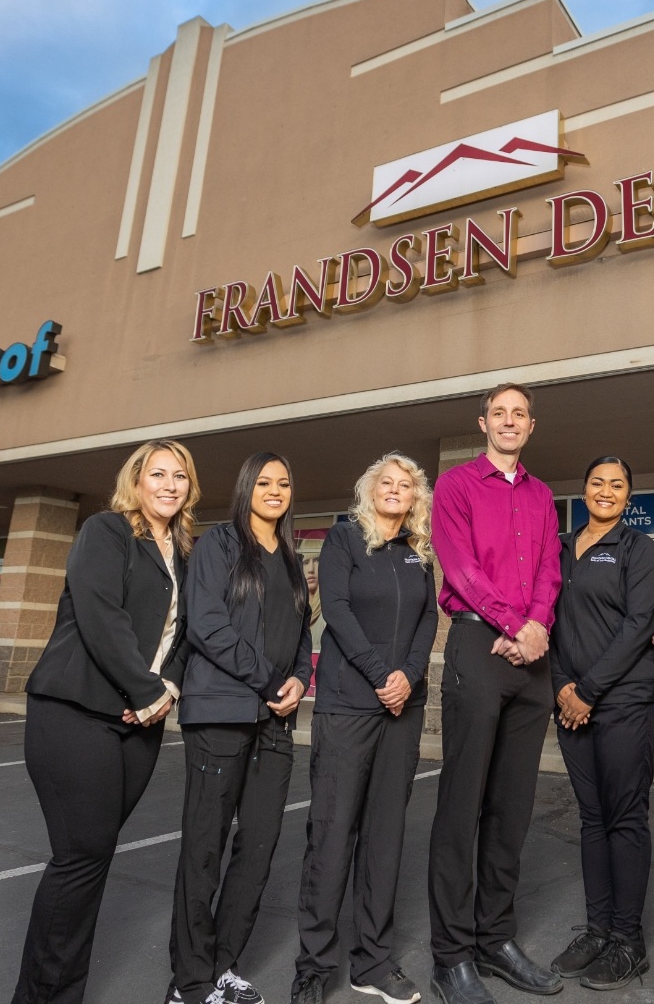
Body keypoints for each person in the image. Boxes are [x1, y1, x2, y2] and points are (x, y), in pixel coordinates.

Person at [12, 438, 200, 1004]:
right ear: (136, 481)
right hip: (76, 713)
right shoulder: (108, 531)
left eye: (180, 477)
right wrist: (147, 691)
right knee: (80, 858)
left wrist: (166, 688)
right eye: (158, 474)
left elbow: (186, 638)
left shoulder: (186, 555)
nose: (169, 485)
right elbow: (101, 616)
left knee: (92, 860)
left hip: (138, 723)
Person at [428, 382, 563, 1004]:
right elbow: (460, 569)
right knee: (463, 805)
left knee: (511, 808)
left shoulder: (541, 495)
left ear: (531, 426)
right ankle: (451, 955)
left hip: (530, 660)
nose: (509, 422)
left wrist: (535, 630)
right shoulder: (456, 487)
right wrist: (516, 626)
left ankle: (495, 938)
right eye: (499, 413)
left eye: (519, 415)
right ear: (483, 422)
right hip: (478, 649)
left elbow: (550, 573)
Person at [292, 453, 439, 1004]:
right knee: (331, 837)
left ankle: (372, 962)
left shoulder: (418, 551)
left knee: (385, 837)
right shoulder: (344, 540)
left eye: (406, 485)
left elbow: (429, 617)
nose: (395, 490)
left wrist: (410, 675)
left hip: (403, 710)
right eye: (387, 482)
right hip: (350, 705)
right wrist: (383, 675)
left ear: (415, 497)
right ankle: (312, 968)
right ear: (369, 489)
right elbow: (337, 608)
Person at [167, 452, 313, 1004]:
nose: (275, 490)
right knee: (204, 847)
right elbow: (206, 625)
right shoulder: (219, 546)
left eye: (284, 482)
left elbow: (303, 634)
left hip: (274, 721)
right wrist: (269, 681)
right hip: (221, 714)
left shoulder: (293, 558)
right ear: (247, 486)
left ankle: (223, 964)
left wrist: (299, 679)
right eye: (265, 482)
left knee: (258, 846)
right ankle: (190, 981)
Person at [549, 457, 654, 991]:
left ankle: (628, 940)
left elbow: (640, 626)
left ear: (628, 496)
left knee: (625, 818)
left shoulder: (638, 551)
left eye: (618, 484)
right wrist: (563, 691)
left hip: (623, 702)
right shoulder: (561, 549)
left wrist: (588, 691)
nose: (606, 491)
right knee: (592, 818)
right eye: (597, 481)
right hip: (571, 702)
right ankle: (597, 930)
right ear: (584, 488)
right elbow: (546, 623)